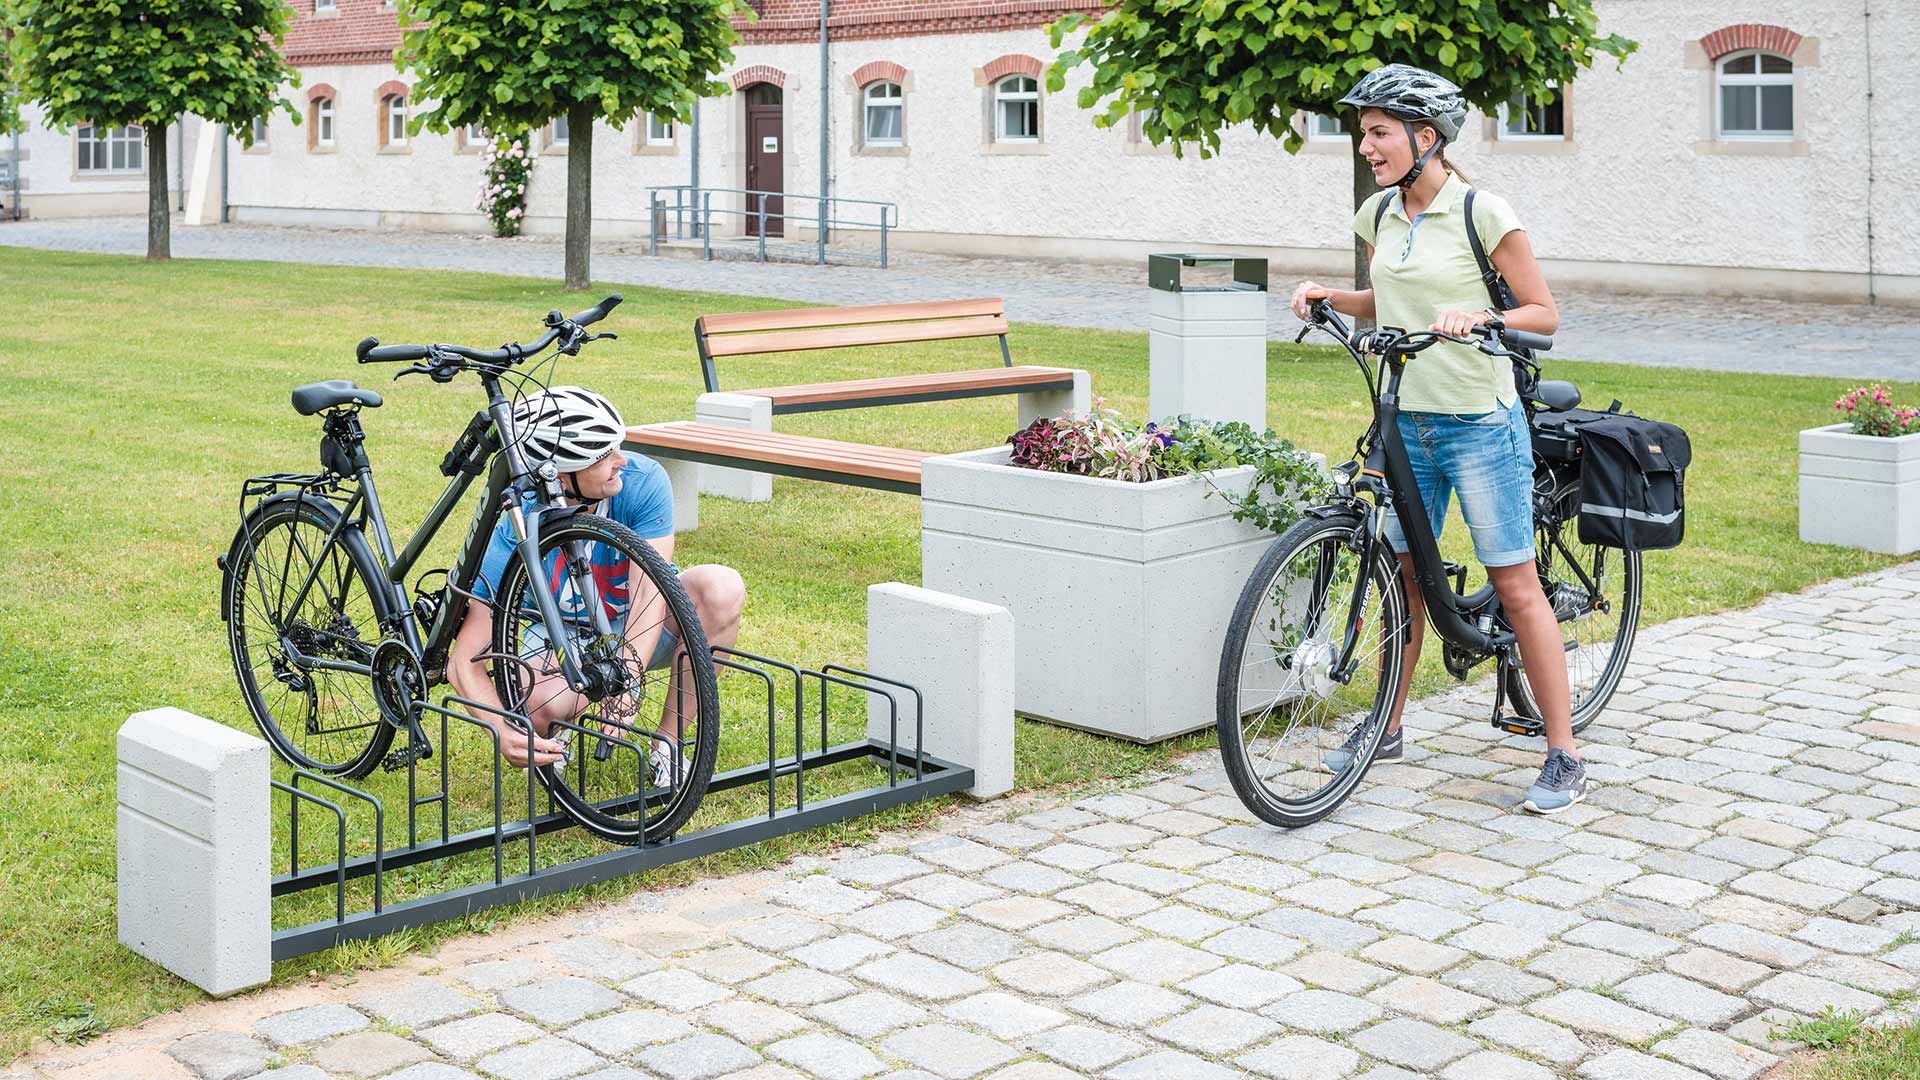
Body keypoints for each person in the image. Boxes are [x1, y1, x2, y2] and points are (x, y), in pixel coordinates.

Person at [1290, 64, 1584, 814]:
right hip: (1405, 421)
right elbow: (1383, 298)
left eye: (1380, 133)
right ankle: (1385, 727)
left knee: (1515, 585)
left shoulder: (1484, 212)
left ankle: (1562, 753)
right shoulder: (1380, 216)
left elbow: (1543, 314)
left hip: (1479, 422)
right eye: (1364, 134)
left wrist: (1483, 316)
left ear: (1426, 138)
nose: (1367, 147)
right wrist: (1331, 295)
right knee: (1403, 578)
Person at [447, 386, 745, 777]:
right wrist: (503, 730)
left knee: (721, 588)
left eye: (616, 446)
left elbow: (649, 594)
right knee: (539, 702)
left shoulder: (642, 481)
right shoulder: (514, 526)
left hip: (638, 626)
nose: (620, 460)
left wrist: (628, 675)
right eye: (603, 455)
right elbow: (464, 661)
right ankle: (554, 735)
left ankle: (668, 746)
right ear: (561, 472)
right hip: (559, 644)